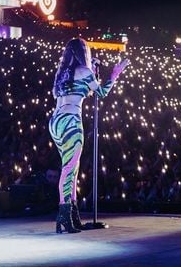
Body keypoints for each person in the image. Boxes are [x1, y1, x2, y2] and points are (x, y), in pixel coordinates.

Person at [50, 38, 129, 233]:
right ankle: (64, 218)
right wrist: (114, 74)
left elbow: (56, 94)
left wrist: (91, 73)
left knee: (72, 169)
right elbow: (101, 92)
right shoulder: (84, 72)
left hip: (56, 121)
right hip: (71, 122)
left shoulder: (62, 73)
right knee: (69, 169)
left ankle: (72, 217)